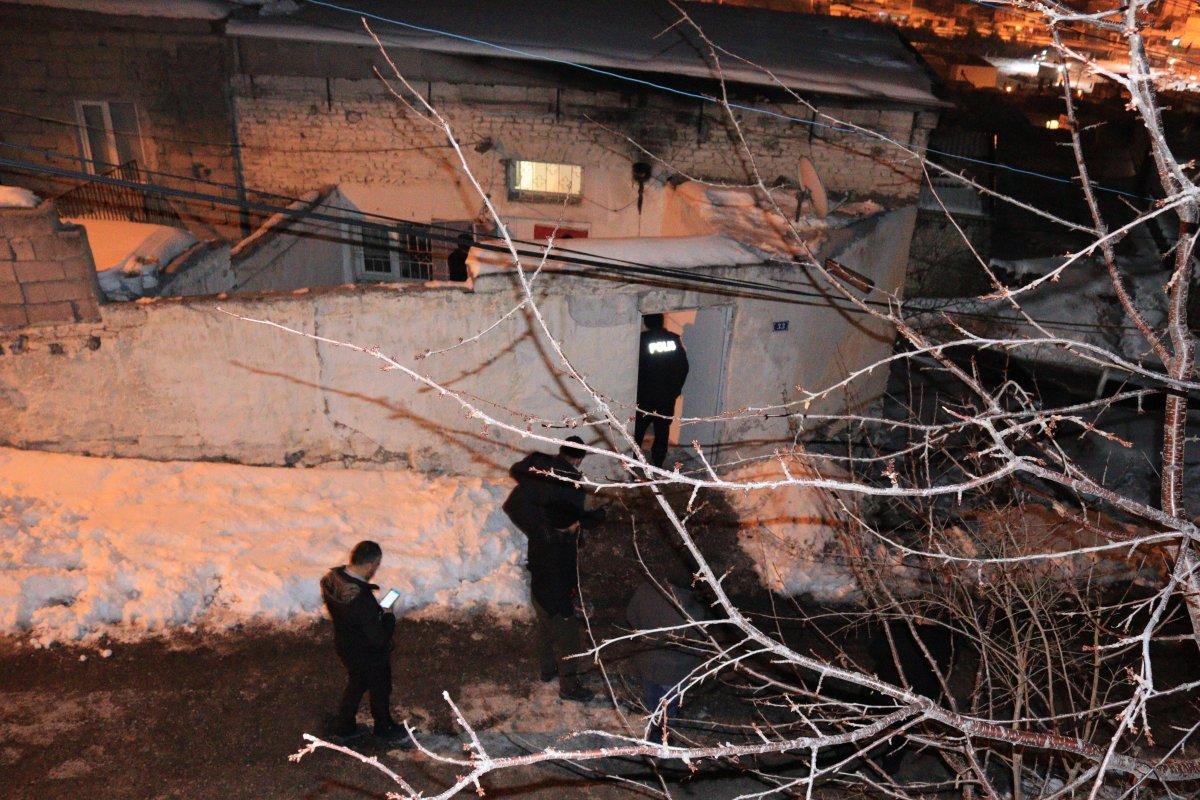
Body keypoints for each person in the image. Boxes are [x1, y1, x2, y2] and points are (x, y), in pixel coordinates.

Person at [502, 436, 603, 702]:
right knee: (567, 634)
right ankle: (569, 687)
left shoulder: (539, 475)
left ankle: (547, 670)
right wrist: (569, 606)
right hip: (557, 583)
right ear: (579, 458)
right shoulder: (569, 495)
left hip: (540, 573)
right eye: (574, 526)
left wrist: (541, 530)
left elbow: (514, 506)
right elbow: (566, 578)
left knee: (544, 623)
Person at [320, 540, 405, 741]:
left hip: (345, 645)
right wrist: (388, 616)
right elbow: (379, 638)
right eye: (376, 565)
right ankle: (384, 727)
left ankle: (344, 726)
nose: (376, 569)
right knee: (380, 686)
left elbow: (351, 614)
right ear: (369, 564)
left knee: (357, 683)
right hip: (367, 653)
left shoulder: (331, 579)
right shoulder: (362, 600)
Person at [625, 547, 706, 744]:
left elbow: (631, 616)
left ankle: (654, 728)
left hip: (647, 661)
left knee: (653, 699)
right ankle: (661, 738)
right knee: (667, 707)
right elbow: (696, 648)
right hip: (674, 673)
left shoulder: (645, 590)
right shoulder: (693, 614)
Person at [634, 314, 689, 468]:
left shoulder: (642, 340)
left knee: (637, 432)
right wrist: (675, 390)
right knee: (662, 431)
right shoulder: (673, 339)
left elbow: (636, 368)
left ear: (645, 323)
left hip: (645, 397)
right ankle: (658, 463)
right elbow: (683, 367)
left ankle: (633, 463)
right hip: (666, 397)